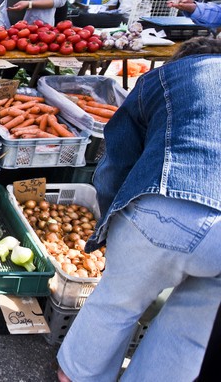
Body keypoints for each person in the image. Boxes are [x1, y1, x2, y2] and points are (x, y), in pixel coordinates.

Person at [56, 35, 221, 382]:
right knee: (191, 326)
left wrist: (109, 225)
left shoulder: (166, 78)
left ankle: (77, 376)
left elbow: (117, 160)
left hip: (167, 208)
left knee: (118, 303)